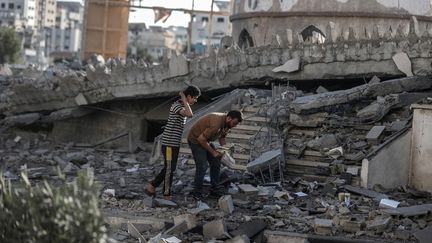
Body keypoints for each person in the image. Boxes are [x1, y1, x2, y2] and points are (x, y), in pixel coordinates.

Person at [145, 85, 201, 200]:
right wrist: (184, 100)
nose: (196, 100)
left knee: (170, 168)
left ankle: (152, 186)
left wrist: (185, 101)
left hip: (173, 144)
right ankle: (165, 193)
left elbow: (189, 113)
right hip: (169, 143)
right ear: (189, 96)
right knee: (170, 168)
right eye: (194, 98)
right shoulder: (176, 106)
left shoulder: (182, 106)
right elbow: (190, 114)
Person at [187, 110, 243, 199]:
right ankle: (196, 192)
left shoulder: (227, 124)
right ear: (229, 118)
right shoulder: (216, 124)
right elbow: (201, 139)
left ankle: (214, 189)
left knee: (216, 162)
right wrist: (213, 152)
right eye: (234, 123)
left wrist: (225, 152)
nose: (234, 125)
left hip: (206, 140)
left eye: (236, 124)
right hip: (196, 140)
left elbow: (222, 138)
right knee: (202, 166)